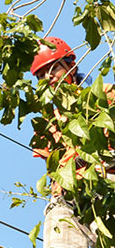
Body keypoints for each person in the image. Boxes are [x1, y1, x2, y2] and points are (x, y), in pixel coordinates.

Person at [29, 37, 103, 247]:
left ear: (71, 66)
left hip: (105, 186)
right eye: (41, 75)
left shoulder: (102, 97)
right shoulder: (47, 124)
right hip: (66, 200)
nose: (48, 77)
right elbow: (52, 169)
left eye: (53, 69)